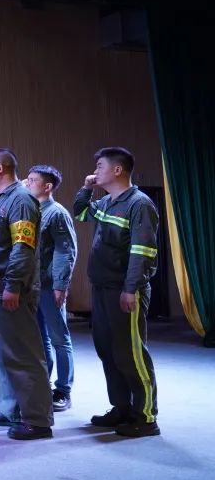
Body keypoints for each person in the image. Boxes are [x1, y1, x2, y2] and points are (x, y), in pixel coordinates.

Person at [74, 147, 160, 438]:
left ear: (117, 170)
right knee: (108, 350)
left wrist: (131, 288)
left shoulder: (139, 204)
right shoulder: (107, 202)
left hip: (124, 289)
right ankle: (122, 407)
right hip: (102, 286)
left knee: (131, 353)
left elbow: (142, 251)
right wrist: (86, 188)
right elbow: (81, 213)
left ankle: (145, 417)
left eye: (100, 166)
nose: (95, 171)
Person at [0, 149, 53, 440]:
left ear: (0, 169)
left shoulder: (21, 200)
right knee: (1, 355)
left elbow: (23, 247)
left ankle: (37, 419)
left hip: (8, 290)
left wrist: (13, 285)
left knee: (23, 355)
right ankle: (11, 410)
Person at [25, 165, 78, 412]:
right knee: (39, 338)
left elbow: (65, 251)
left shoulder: (56, 213)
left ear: (47, 186)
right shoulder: (31, 210)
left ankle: (63, 390)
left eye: (33, 180)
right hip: (32, 285)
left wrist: (60, 285)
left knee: (59, 339)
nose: (27, 183)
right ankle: (41, 382)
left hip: (49, 285)